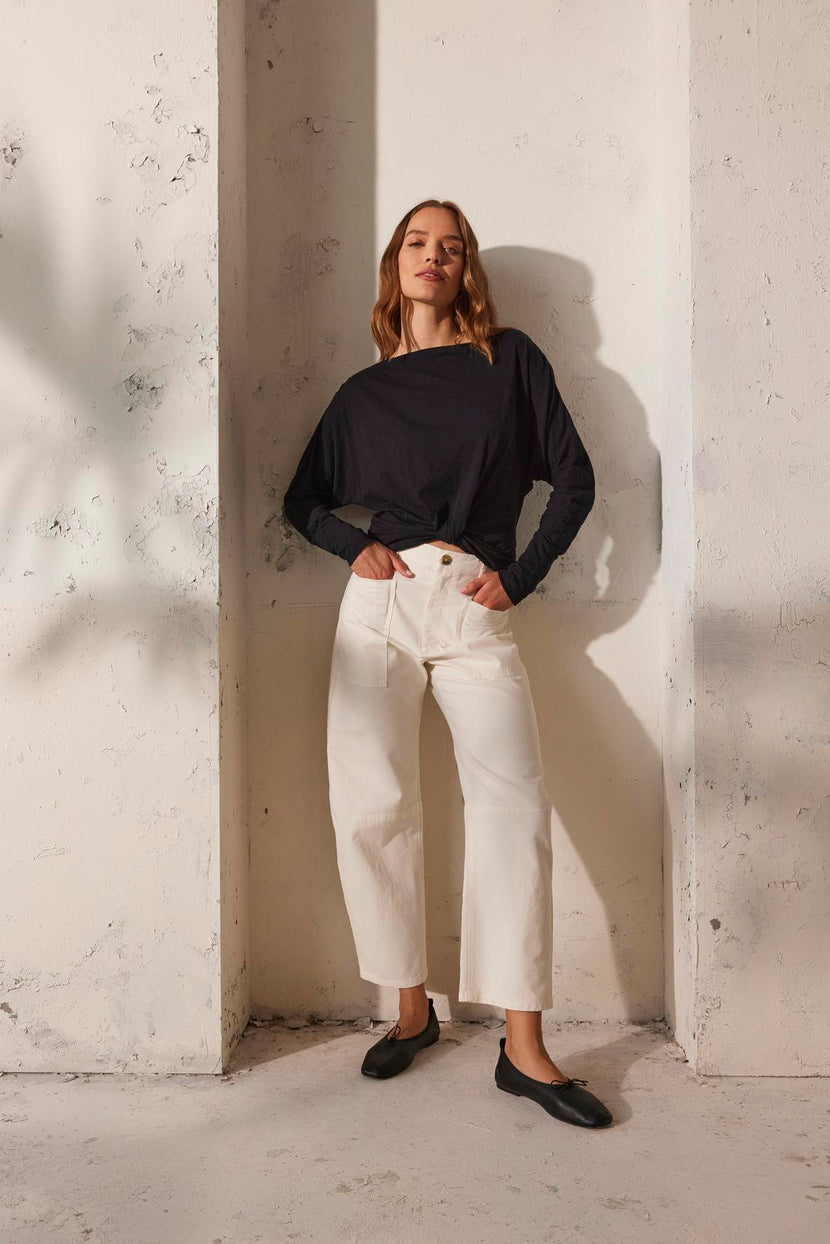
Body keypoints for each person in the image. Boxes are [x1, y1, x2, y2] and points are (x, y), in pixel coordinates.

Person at [283, 198, 611, 1128]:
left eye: (452, 247)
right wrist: (352, 547)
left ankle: (524, 1045)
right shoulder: (359, 397)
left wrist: (521, 576)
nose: (436, 258)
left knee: (514, 806)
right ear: (395, 265)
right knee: (372, 804)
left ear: (467, 270)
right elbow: (299, 500)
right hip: (378, 612)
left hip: (474, 601)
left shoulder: (508, 363)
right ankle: (411, 1009)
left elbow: (575, 478)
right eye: (419, 244)